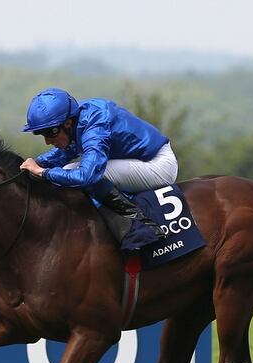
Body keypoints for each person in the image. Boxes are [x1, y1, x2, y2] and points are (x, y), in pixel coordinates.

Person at [19, 88, 176, 250]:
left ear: (67, 123)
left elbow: (87, 176)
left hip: (159, 165)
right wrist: (38, 162)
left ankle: (140, 228)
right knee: (69, 169)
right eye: (41, 134)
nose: (47, 141)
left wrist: (43, 172)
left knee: (79, 171)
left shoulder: (95, 125)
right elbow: (65, 152)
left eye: (49, 133)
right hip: (137, 161)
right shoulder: (77, 121)